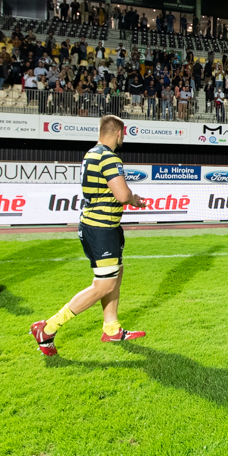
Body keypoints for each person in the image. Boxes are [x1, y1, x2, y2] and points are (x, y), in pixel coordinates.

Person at [30, 115, 147, 355]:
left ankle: (112, 329)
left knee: (115, 274)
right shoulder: (108, 156)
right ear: (119, 133)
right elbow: (122, 195)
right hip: (100, 228)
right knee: (103, 284)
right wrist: (135, 200)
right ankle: (48, 327)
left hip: (103, 226)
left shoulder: (91, 153)